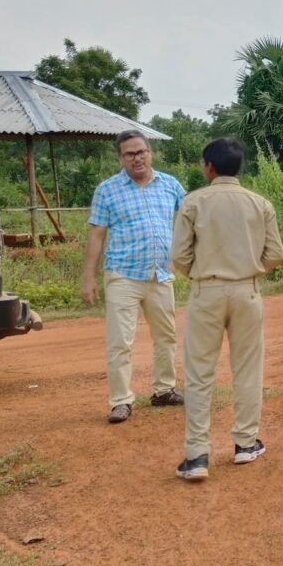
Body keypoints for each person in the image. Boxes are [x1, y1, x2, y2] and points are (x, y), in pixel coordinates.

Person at [171, 137, 283, 481]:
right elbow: (275, 253)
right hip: (246, 290)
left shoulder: (193, 202)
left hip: (206, 291)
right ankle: (245, 444)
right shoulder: (259, 203)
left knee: (199, 373)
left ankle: (196, 456)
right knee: (248, 369)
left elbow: (179, 255)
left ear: (208, 166)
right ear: (239, 166)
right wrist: (250, 271)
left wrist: (201, 274)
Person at [81, 130, 186, 424]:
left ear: (150, 152)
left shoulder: (170, 184)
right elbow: (97, 234)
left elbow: (190, 218)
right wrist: (88, 276)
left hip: (161, 275)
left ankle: (163, 391)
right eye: (129, 154)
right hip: (123, 274)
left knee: (166, 336)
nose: (137, 158)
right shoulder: (107, 190)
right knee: (120, 341)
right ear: (120, 158)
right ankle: (120, 401)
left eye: (141, 152)